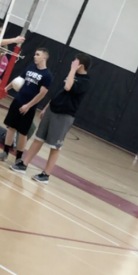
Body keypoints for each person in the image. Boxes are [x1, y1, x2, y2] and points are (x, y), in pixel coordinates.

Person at [11, 52, 91, 184]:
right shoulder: (70, 75)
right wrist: (46, 108)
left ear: (80, 65)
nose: (72, 63)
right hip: (52, 110)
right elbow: (59, 92)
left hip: (64, 115)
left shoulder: (85, 81)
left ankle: (46, 175)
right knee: (38, 139)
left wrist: (72, 70)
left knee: (55, 147)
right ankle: (23, 164)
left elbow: (68, 87)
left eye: (75, 61)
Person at [0, 48, 51, 166]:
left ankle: (18, 158)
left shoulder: (47, 75)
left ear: (44, 57)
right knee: (11, 128)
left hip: (28, 107)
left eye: (37, 54)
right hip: (17, 101)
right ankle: (5, 152)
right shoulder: (30, 67)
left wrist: (28, 106)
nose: (35, 56)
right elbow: (18, 80)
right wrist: (6, 88)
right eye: (35, 54)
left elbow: (42, 94)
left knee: (22, 133)